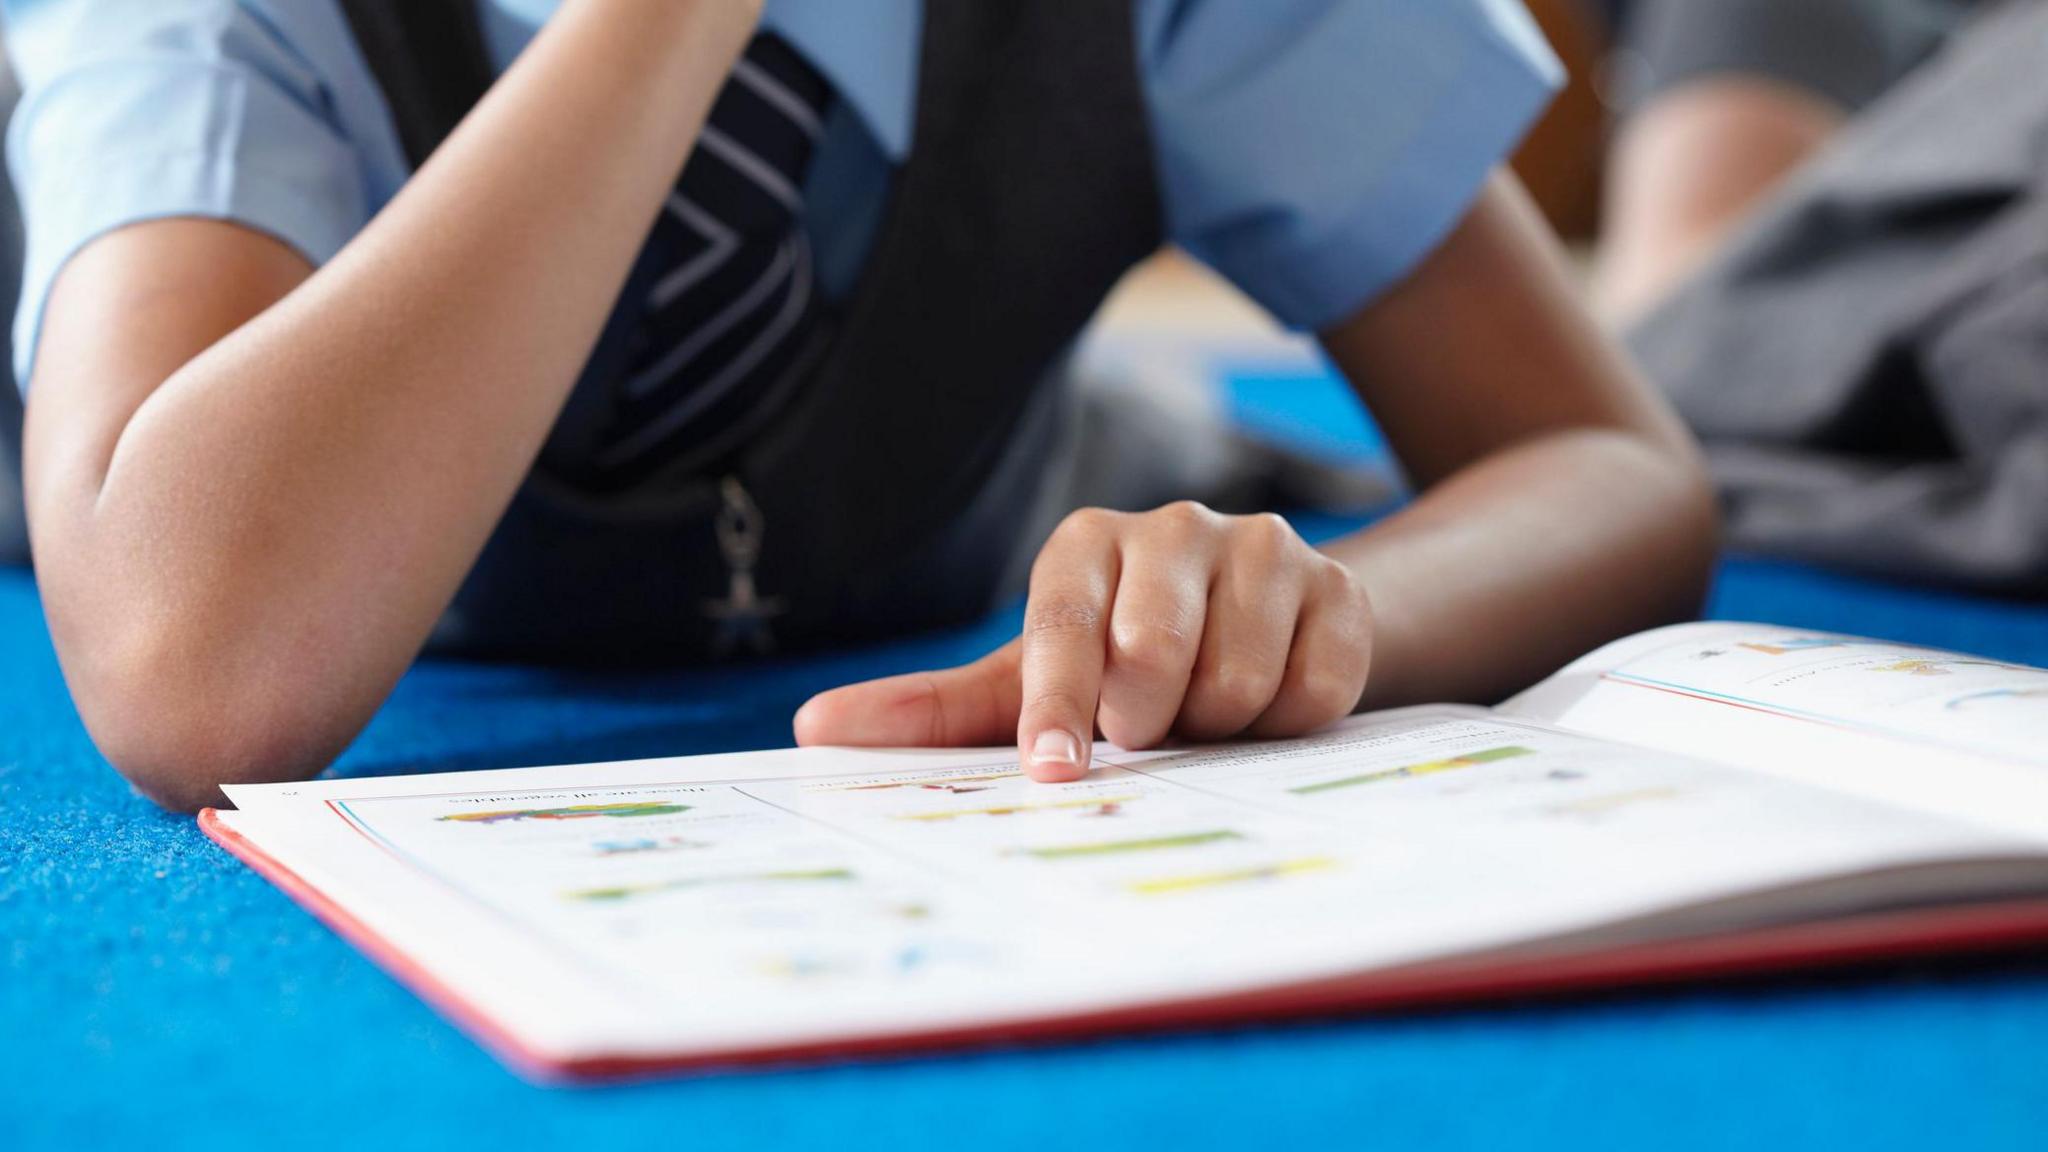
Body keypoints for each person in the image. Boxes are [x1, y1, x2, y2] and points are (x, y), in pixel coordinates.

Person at [4, 0, 1715, 812]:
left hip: (980, 478)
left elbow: (1612, 460)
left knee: (1159, 452)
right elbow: (190, 668)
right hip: (130, 436)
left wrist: (1341, 612)